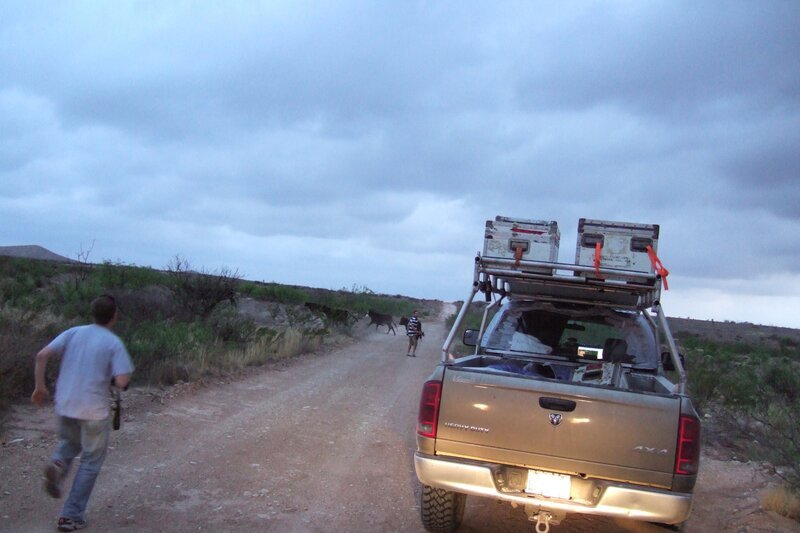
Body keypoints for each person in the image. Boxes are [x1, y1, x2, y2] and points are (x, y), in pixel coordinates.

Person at [31, 294, 134, 532]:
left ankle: (57, 464)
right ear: (114, 316)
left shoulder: (73, 332)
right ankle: (71, 515)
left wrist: (39, 386)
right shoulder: (113, 343)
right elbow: (122, 381)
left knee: (71, 441)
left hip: (65, 404)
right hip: (93, 411)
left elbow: (41, 355)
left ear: (93, 313)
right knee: (90, 461)